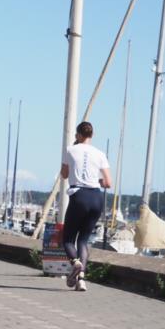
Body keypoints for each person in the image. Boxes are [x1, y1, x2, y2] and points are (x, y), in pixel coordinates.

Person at [59, 121, 112, 292]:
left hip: (79, 196)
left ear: (78, 135)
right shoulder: (100, 153)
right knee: (83, 240)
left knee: (68, 240)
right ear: (92, 135)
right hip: (96, 198)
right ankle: (81, 280)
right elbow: (108, 183)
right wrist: (96, 180)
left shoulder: (70, 150)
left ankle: (75, 263)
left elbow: (64, 174)